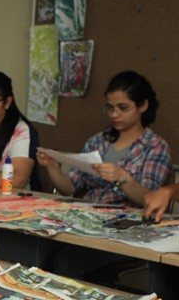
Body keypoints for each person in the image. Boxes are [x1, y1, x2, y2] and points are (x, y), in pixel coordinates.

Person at [37, 71, 171, 207]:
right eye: (110, 108)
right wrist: (52, 166)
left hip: (125, 220)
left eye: (123, 108)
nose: (114, 114)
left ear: (142, 106)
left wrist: (123, 178)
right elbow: (69, 189)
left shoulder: (155, 146)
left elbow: (149, 199)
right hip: (88, 214)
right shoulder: (97, 142)